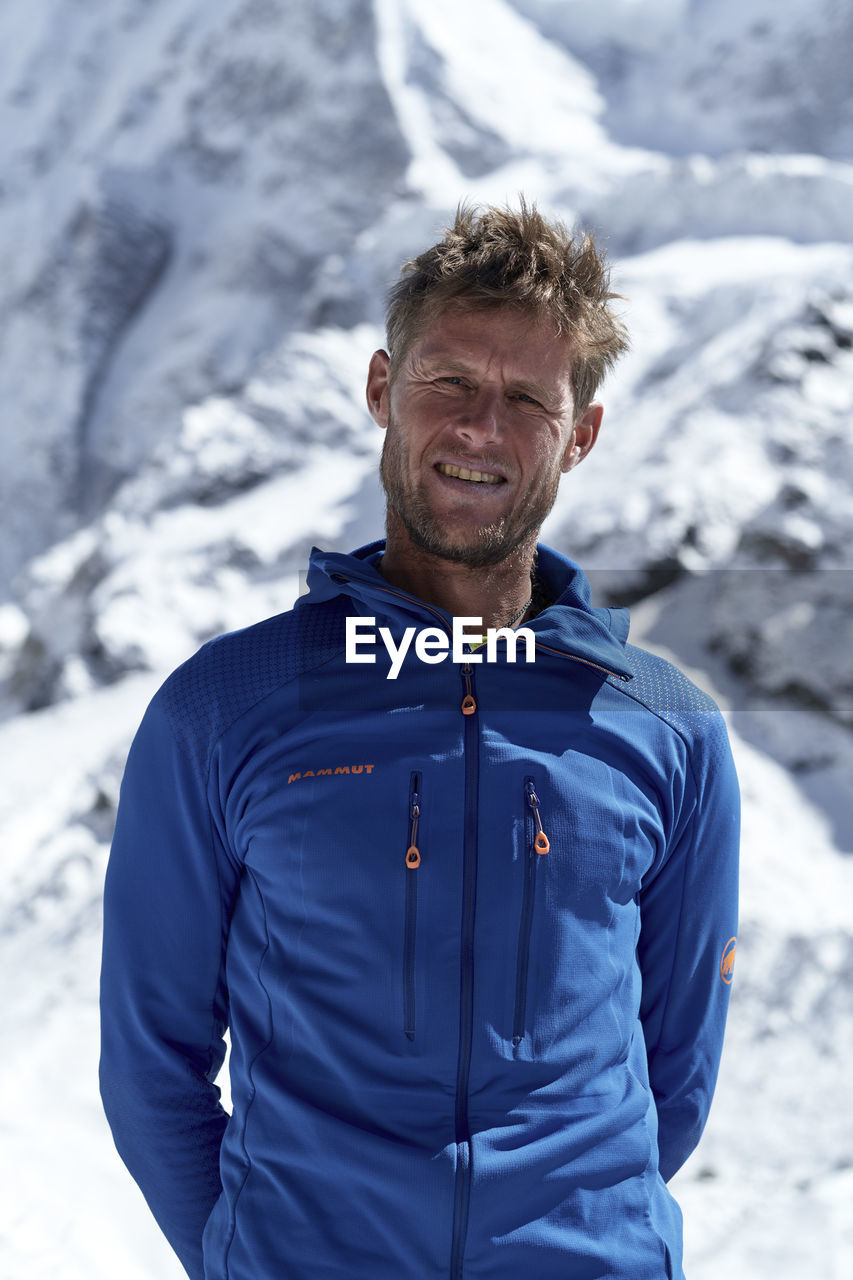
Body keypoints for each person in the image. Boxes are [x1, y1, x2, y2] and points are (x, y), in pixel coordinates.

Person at [99, 201, 739, 1280]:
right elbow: (150, 1061)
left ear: (578, 434)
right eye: (447, 380)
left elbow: (672, 1079)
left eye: (526, 397)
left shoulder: (669, 725)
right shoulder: (223, 706)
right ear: (381, 389)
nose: (479, 428)